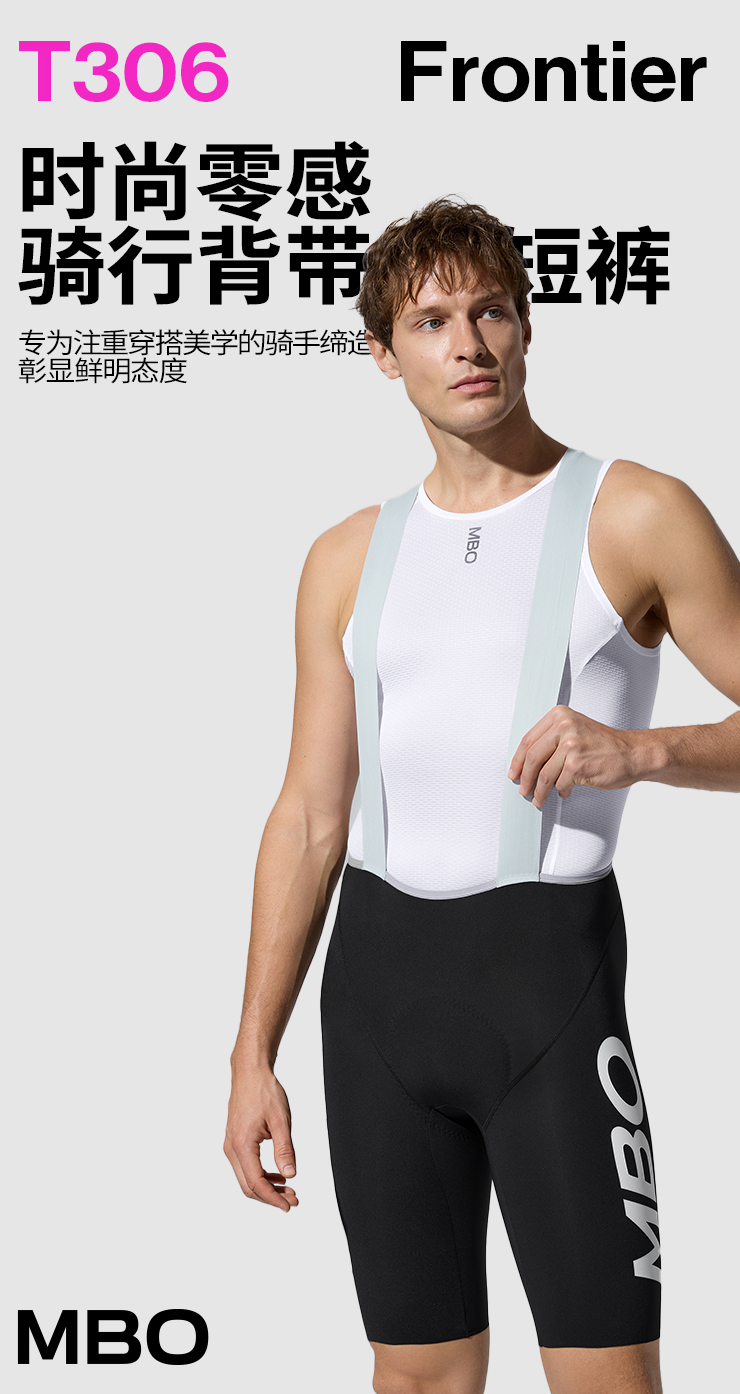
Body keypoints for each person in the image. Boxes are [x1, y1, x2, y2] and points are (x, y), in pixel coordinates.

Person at [223, 198, 740, 1394]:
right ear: (382, 351)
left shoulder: (636, 511)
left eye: (492, 311)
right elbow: (308, 815)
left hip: (548, 987)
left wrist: (642, 750)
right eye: (432, 321)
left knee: (606, 1378)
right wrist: (252, 1053)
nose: (469, 344)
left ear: (525, 326)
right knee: (415, 1374)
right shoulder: (347, 555)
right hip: (377, 996)